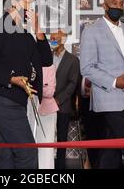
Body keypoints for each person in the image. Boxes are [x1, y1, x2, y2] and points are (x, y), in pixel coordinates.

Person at [0, 0, 53, 169]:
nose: (32, 8)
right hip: (0, 97)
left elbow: (46, 60)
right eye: (28, 3)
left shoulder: (25, 35)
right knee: (27, 152)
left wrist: (38, 30)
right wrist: (11, 78)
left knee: (10, 154)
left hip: (16, 100)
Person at [80, 0, 124, 169]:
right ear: (105, 6)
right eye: (114, 3)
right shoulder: (91, 31)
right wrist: (116, 82)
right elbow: (86, 68)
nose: (118, 6)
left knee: (112, 150)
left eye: (121, 3)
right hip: (107, 97)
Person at [49, 29, 81, 169]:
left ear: (63, 40)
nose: (53, 40)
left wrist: (58, 99)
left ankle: (60, 168)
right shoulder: (46, 57)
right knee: (47, 139)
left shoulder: (73, 60)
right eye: (51, 38)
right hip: (46, 105)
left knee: (61, 140)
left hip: (63, 106)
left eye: (56, 38)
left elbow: (73, 83)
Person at [27, 65, 59, 169]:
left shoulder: (49, 66)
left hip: (46, 113)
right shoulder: (26, 63)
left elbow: (50, 91)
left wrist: (33, 86)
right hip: (28, 110)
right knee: (28, 149)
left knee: (45, 150)